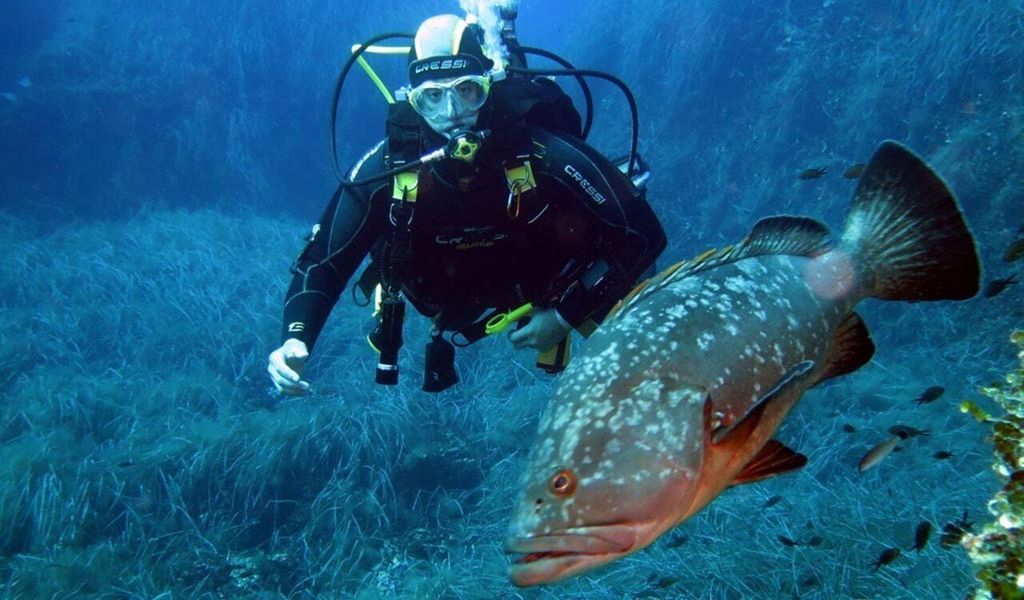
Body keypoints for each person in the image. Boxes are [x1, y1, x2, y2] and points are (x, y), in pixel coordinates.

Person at [268, 13, 666, 395]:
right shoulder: (391, 167)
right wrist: (295, 338)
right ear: (413, 102)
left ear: (487, 86)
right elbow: (323, 261)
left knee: (644, 327)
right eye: (433, 98)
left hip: (548, 287)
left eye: (467, 91)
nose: (453, 114)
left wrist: (564, 315)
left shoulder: (538, 150)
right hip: (451, 298)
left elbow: (643, 233)